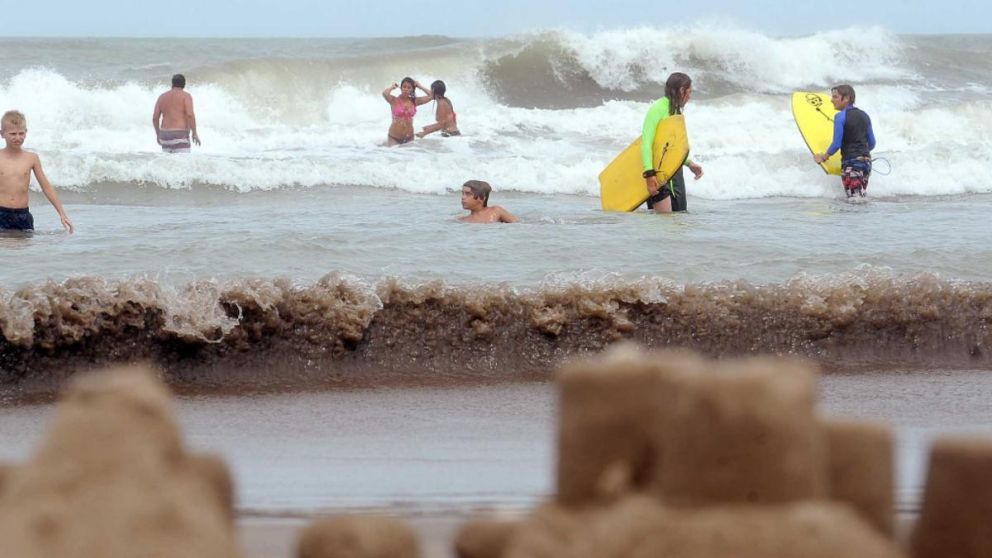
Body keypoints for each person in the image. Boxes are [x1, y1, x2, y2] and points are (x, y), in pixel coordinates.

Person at [0, 110, 74, 233]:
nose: (17, 137)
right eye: (13, 134)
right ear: (2, 134)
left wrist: (62, 214)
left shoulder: (31, 158)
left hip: (23, 215)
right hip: (1, 213)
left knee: (25, 251)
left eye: (21, 133)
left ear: (26, 133)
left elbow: (46, 187)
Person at [641, 72, 704, 213]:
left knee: (680, 216)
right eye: (689, 92)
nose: (690, 97)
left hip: (674, 173)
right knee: (665, 226)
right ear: (682, 91)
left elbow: (671, 148)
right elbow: (646, 143)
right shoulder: (657, 109)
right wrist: (649, 175)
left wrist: (689, 163)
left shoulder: (675, 112)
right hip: (659, 177)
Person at [813, 84, 876, 197]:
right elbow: (872, 143)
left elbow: (836, 144)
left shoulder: (840, 116)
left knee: (855, 200)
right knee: (859, 197)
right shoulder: (865, 115)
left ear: (846, 98)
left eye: (835, 97)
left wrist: (824, 157)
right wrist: (860, 153)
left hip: (851, 164)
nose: (832, 100)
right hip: (866, 163)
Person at [152, 74, 201, 153]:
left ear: (172, 84)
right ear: (184, 84)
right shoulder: (186, 96)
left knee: (168, 163)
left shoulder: (162, 97)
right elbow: (190, 115)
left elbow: (155, 118)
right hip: (180, 134)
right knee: (183, 163)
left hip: (165, 135)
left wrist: (158, 134)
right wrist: (194, 133)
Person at [382, 77, 433, 146]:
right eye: (404, 87)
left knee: (409, 156)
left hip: (409, 138)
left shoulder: (415, 101)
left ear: (412, 90)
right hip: (394, 137)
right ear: (401, 88)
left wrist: (420, 86)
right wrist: (392, 87)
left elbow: (432, 96)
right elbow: (384, 93)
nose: (406, 89)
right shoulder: (394, 100)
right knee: (393, 155)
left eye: (409, 88)